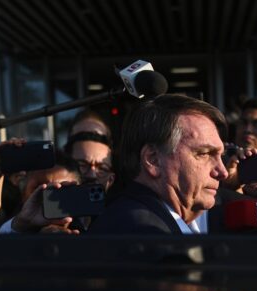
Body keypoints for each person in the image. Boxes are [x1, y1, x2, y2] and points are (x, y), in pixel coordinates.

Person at [89, 94, 228, 235]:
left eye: (221, 156)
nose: (223, 172)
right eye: (203, 153)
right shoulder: (141, 233)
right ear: (153, 159)